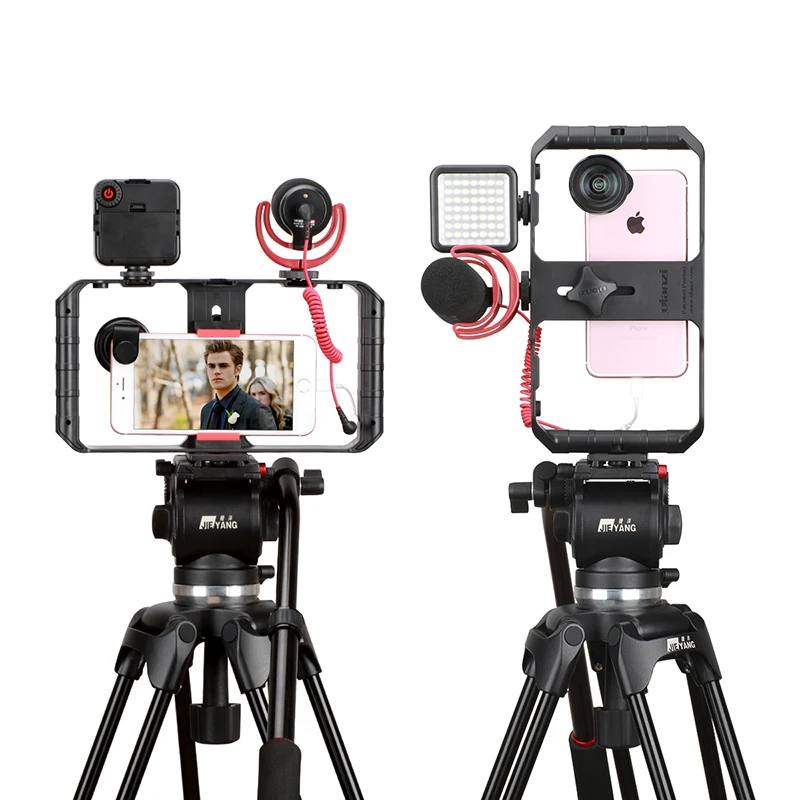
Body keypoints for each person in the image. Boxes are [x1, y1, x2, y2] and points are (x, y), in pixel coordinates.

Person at [199, 340, 277, 430]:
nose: (216, 371)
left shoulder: (257, 410)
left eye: (223, 366)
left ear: (238, 370)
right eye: (211, 366)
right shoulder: (206, 410)